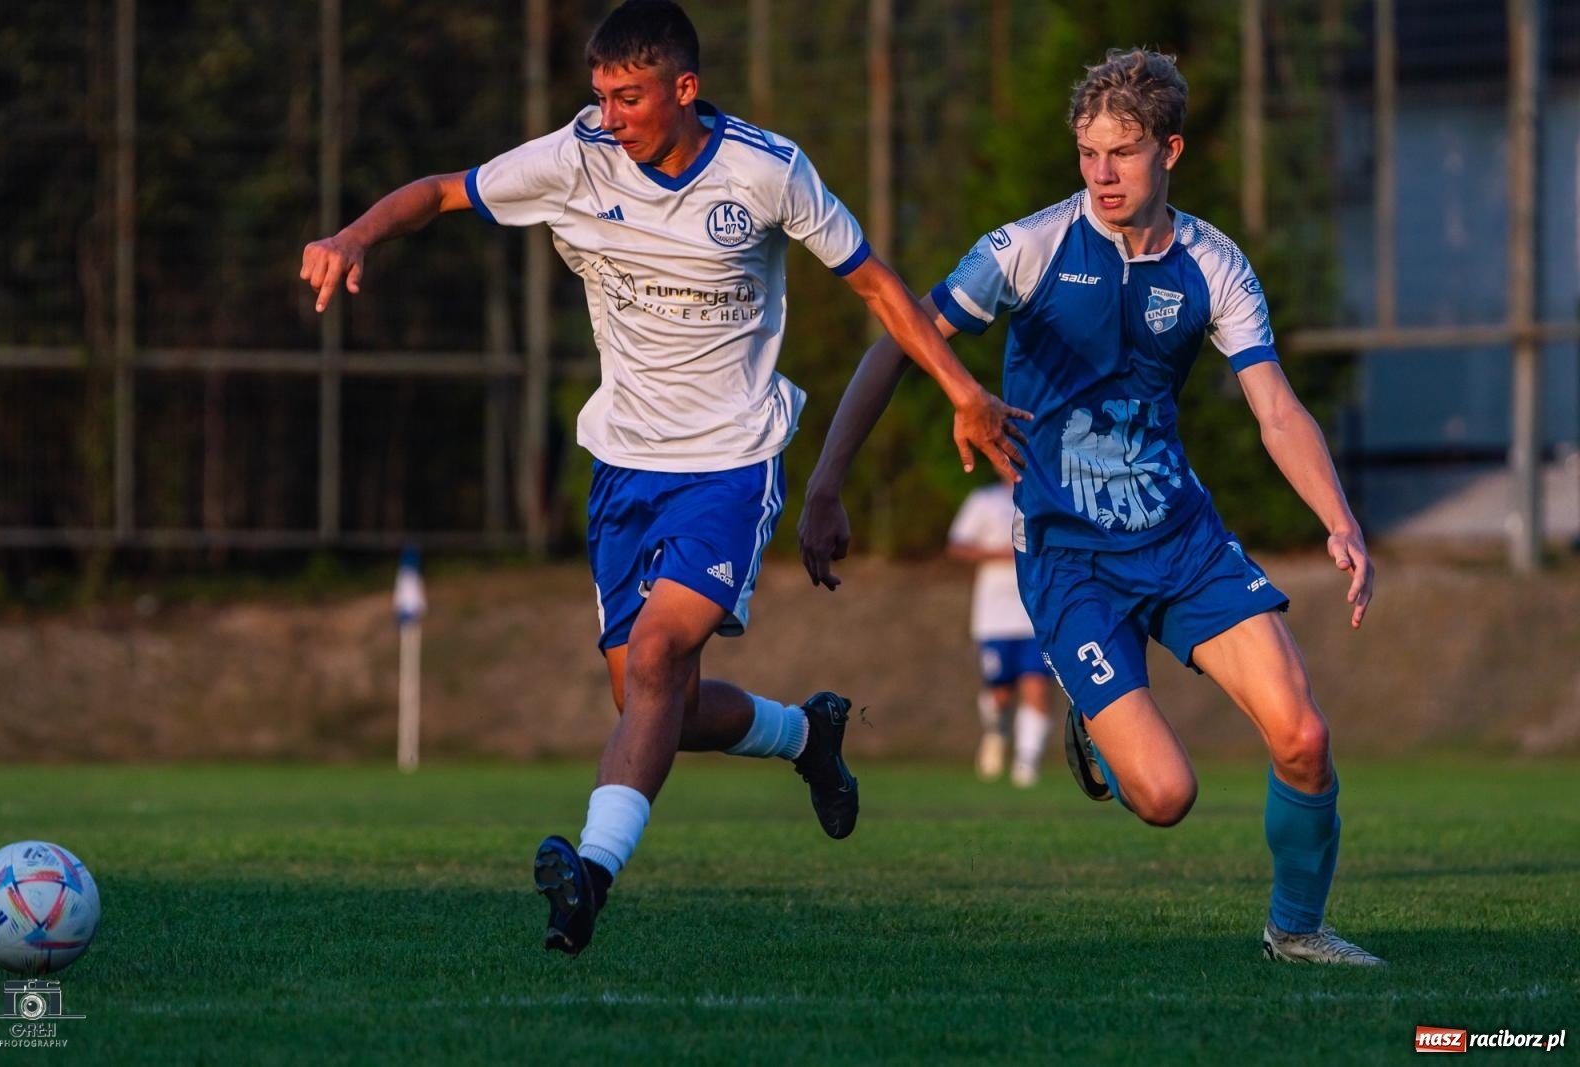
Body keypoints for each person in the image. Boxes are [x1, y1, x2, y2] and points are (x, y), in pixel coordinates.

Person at [299, 0, 1025, 957]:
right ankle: (807, 737)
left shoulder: (768, 171)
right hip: (623, 466)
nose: (609, 114)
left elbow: (879, 287)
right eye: (598, 94)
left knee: (653, 661)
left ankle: (590, 878)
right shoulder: (576, 156)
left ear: (684, 89)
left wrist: (965, 389)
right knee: (659, 708)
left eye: (628, 96)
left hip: (729, 463)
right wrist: (354, 234)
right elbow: (442, 191)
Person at [799, 47, 1386, 965]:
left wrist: (1338, 518)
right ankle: (1096, 725)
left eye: (1124, 152)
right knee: (1164, 797)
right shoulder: (1026, 249)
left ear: (1171, 151)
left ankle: (1298, 931)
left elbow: (1275, 407)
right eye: (1087, 153)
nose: (1102, 174)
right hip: (1070, 561)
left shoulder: (1212, 265)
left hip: (1182, 541)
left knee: (1304, 736)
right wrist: (827, 478)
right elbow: (900, 338)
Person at [946, 479, 1053, 786]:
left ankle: (1026, 762)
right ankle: (996, 733)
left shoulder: (1046, 495)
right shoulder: (985, 499)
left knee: (1037, 686)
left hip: (1034, 613)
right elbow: (957, 546)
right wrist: (1000, 555)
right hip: (994, 616)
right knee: (1000, 692)